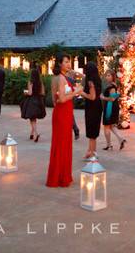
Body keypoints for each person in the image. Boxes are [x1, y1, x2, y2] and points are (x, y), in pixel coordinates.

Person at [46, 53, 82, 187]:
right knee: (62, 145)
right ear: (60, 64)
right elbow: (61, 99)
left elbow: (55, 100)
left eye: (69, 61)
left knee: (61, 144)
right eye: (66, 62)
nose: (68, 64)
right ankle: (60, 177)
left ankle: (59, 176)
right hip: (63, 113)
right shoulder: (61, 78)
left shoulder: (56, 77)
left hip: (61, 113)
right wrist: (76, 92)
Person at [81, 62, 103, 160]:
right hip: (97, 106)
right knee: (93, 131)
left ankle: (93, 153)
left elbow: (92, 97)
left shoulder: (90, 82)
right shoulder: (98, 79)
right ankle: (90, 151)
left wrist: (82, 93)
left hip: (92, 107)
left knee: (92, 131)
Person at [100, 70, 126, 151]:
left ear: (113, 77)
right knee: (111, 126)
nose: (107, 77)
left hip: (109, 107)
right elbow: (115, 96)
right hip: (112, 107)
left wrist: (103, 97)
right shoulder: (114, 85)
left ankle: (109, 145)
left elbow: (112, 99)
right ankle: (121, 139)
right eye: (106, 75)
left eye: (109, 75)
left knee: (106, 126)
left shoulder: (111, 87)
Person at [23, 66, 46, 142]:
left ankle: (35, 134)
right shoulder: (40, 83)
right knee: (34, 118)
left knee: (32, 118)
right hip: (39, 101)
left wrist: (25, 92)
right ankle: (32, 133)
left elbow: (30, 93)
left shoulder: (30, 82)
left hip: (32, 101)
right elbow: (42, 92)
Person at [65, 70, 81, 140]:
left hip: (67, 98)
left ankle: (75, 129)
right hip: (70, 97)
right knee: (69, 114)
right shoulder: (71, 80)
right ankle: (75, 129)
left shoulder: (66, 79)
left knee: (69, 115)